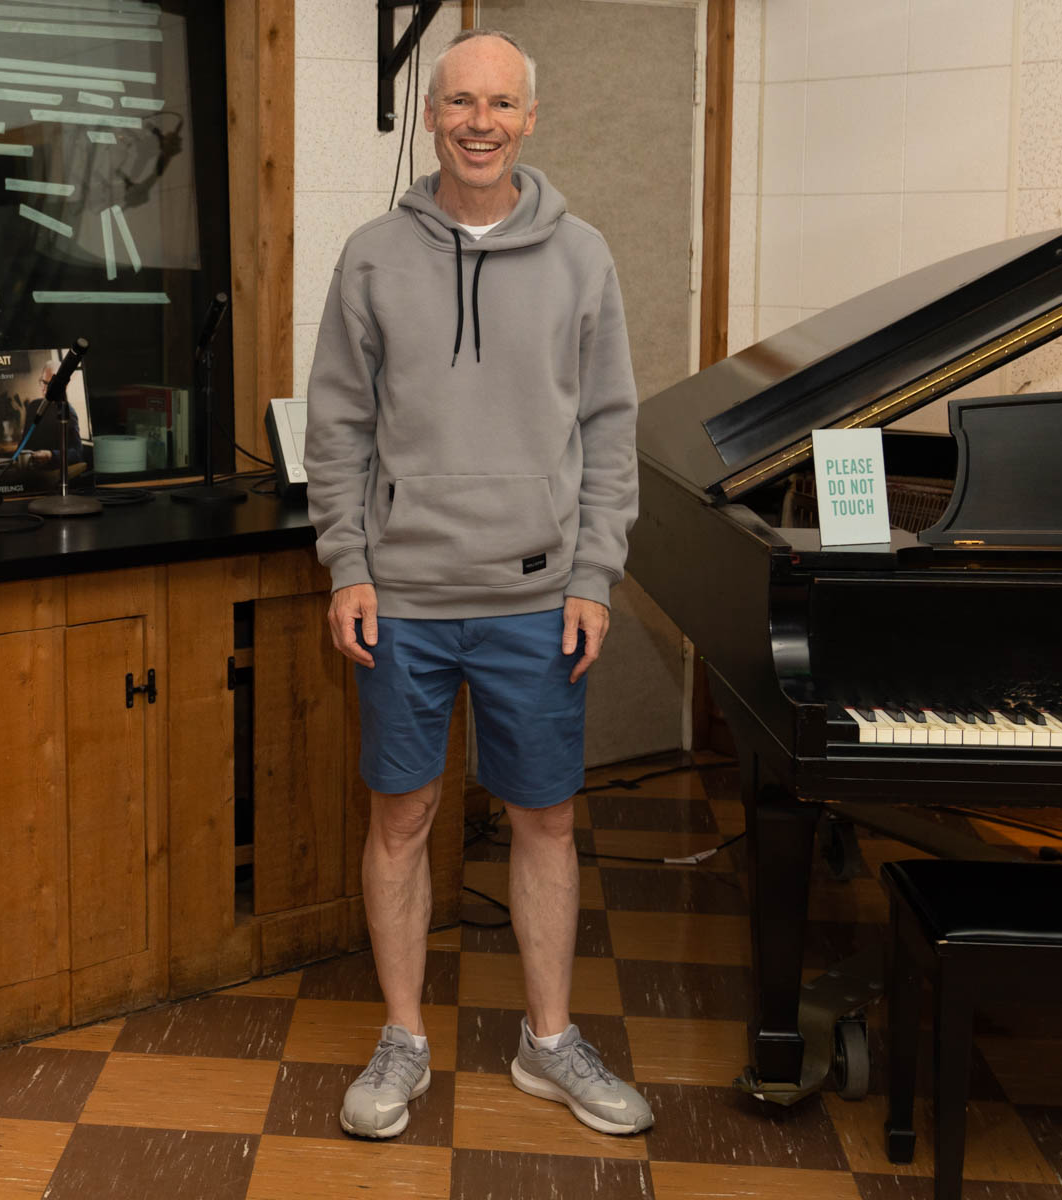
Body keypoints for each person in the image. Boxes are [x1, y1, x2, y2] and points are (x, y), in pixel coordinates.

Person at [303, 28, 648, 1140]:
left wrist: (594, 574)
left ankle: (549, 1043)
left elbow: (608, 427)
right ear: (435, 116)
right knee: (401, 818)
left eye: (501, 102)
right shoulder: (370, 254)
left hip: (538, 594)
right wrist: (348, 564)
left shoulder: (583, 255)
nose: (480, 121)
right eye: (460, 102)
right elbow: (338, 428)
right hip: (401, 598)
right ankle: (402, 1039)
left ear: (529, 118)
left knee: (545, 823)